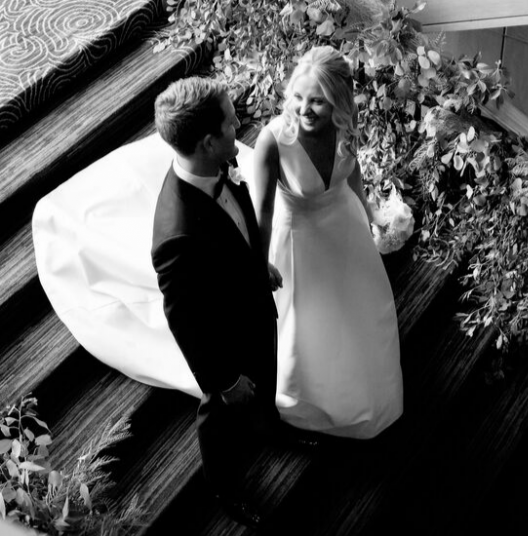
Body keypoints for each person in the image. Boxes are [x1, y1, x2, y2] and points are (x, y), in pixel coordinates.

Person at [250, 46, 403, 440]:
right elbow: (261, 214)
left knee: (358, 310)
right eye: (298, 97)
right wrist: (258, 263)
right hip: (297, 245)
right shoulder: (273, 142)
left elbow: (352, 175)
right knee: (306, 325)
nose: (304, 109)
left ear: (337, 100)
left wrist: (370, 213)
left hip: (345, 229)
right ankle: (303, 400)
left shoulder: (345, 123)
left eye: (317, 100)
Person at [150, 77, 279, 527]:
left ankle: (269, 427)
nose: (239, 124)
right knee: (220, 419)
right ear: (208, 142)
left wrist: (257, 265)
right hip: (223, 344)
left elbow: (235, 225)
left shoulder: (220, 164)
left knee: (268, 371)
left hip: (253, 309)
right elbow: (184, 321)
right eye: (230, 122)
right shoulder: (176, 234)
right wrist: (224, 381)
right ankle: (224, 486)